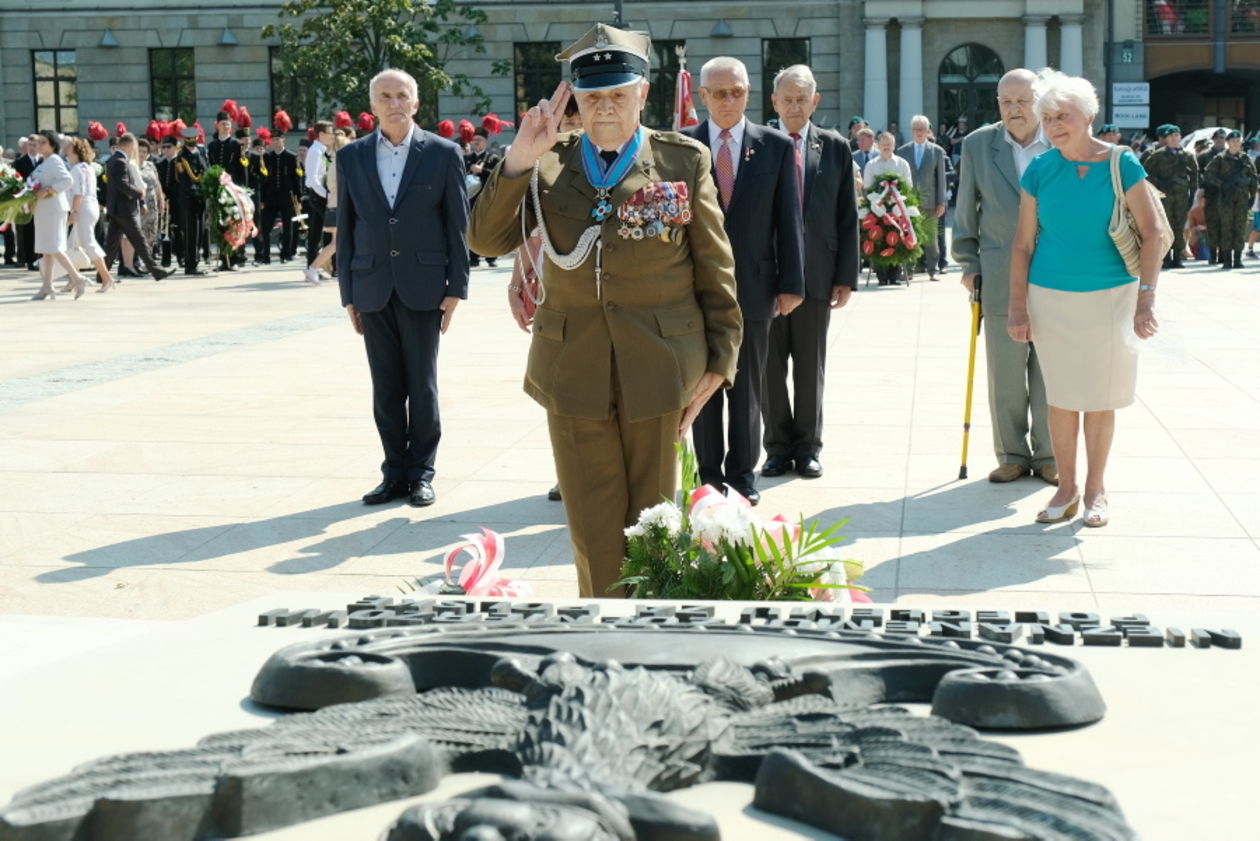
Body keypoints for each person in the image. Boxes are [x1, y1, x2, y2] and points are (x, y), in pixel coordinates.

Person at [469, 23, 742, 597]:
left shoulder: (680, 159)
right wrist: (520, 157)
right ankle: (602, 631)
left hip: (662, 365)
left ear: (643, 92)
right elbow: (484, 240)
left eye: (619, 94)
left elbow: (715, 269)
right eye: (593, 97)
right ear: (576, 100)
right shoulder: (547, 162)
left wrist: (722, 359)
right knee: (593, 526)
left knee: (656, 519)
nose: (607, 107)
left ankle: (655, 626)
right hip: (573, 368)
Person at [1008, 71, 1163, 528]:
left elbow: (1153, 233)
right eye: (1048, 117)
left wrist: (1147, 299)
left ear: (1089, 116)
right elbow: (1022, 244)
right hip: (1050, 298)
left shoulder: (1123, 162)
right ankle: (1067, 487)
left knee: (1100, 398)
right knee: (1061, 397)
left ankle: (1096, 490)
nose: (1055, 124)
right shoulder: (1039, 169)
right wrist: (1017, 307)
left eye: (1064, 115)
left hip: (1113, 295)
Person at [337, 69, 469, 510]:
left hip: (425, 286)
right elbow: (347, 227)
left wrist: (457, 287)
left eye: (402, 96)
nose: (394, 103)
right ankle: (393, 472)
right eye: (385, 96)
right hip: (371, 285)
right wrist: (348, 293)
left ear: (416, 103)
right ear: (372, 105)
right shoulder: (352, 157)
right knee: (386, 387)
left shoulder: (444, 153)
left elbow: (457, 226)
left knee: (422, 384)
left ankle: (422, 474)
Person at [682, 55, 803, 505]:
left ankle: (743, 476)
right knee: (703, 387)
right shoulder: (683, 146)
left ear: (749, 94)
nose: (727, 100)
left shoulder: (773, 146)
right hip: (695, 293)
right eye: (718, 92)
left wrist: (792, 284)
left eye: (735, 91)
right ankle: (708, 479)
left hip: (755, 289)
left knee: (748, 387)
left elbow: (788, 222)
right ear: (703, 96)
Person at [952, 68, 1056, 486]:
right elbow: (965, 210)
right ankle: (1011, 453)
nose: (1013, 109)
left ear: (1039, 99)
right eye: (1005, 101)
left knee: (1050, 368)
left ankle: (1050, 454)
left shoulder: (1059, 139)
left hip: (1055, 270)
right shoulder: (979, 144)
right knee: (1005, 371)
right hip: (997, 272)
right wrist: (967, 263)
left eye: (1022, 100)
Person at [761, 64, 858, 481]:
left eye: (803, 98)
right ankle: (777, 448)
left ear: (815, 101)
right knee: (768, 369)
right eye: (788, 98)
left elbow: (846, 215)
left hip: (817, 275)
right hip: (767, 277)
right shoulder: (759, 145)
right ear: (774, 102)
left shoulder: (835, 147)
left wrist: (846, 276)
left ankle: (808, 448)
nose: (795, 105)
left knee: (809, 367)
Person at [505, 96, 583, 504]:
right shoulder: (541, 164)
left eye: (576, 115)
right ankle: (565, 471)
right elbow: (525, 233)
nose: (570, 123)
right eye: (564, 115)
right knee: (558, 386)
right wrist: (517, 284)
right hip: (551, 292)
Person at [27, 130, 89, 299]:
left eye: (43, 142)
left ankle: (77, 278)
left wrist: (48, 191)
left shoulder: (54, 160)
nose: (39, 145)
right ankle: (47, 285)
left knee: (54, 247)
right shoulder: (44, 161)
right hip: (43, 210)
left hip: (54, 209)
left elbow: (67, 180)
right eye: (38, 142)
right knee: (46, 249)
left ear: (52, 145)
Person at [102, 133, 170, 283]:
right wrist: (139, 193)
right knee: (139, 241)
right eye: (134, 146)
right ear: (128, 145)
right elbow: (123, 185)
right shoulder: (120, 161)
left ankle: (102, 274)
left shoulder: (115, 159)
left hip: (118, 209)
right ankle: (156, 271)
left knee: (112, 244)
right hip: (124, 209)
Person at [896, 115, 948, 281]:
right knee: (910, 237)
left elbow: (941, 179)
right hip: (909, 203)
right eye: (915, 129)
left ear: (927, 131)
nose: (918, 132)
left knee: (931, 238)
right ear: (912, 131)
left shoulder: (937, 151)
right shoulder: (903, 151)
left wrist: (941, 202)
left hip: (930, 202)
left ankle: (932, 269)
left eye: (922, 129)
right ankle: (909, 270)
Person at [64, 137, 117, 293]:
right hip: (90, 207)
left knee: (88, 243)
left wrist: (73, 212)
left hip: (82, 208)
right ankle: (73, 279)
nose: (66, 154)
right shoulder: (88, 167)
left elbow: (78, 193)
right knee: (72, 244)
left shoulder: (76, 169)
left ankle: (106, 278)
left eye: (69, 151)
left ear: (76, 153)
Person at [1141, 124, 1197, 269]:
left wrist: (1192, 194)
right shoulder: (1158, 155)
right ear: (1166, 138)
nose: (1173, 138)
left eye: (1176, 136)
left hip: (1181, 196)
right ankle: (1165, 258)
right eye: (1170, 136)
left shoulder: (1187, 155)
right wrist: (1158, 184)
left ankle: (1177, 257)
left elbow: (1194, 175)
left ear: (1180, 137)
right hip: (1164, 196)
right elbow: (1145, 173)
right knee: (1165, 226)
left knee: (1178, 226)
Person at [1203, 130, 1259, 269]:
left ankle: (1238, 259)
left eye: (1238, 141)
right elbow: (1208, 174)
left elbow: (1253, 178)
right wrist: (1222, 184)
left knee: (1239, 228)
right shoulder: (1220, 159)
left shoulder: (1246, 159)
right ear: (1228, 143)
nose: (1236, 143)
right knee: (1226, 227)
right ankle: (1227, 259)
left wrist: (1252, 197)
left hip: (1241, 198)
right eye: (1233, 141)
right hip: (1225, 198)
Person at [864, 131, 913, 286]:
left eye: (889, 144)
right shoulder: (871, 165)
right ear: (878, 146)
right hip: (877, 207)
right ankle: (882, 276)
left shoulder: (902, 164)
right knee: (878, 239)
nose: (886, 147)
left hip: (897, 207)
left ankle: (894, 275)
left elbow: (908, 185)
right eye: (883, 144)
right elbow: (867, 186)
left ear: (894, 145)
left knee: (897, 238)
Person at [305, 131, 350, 284]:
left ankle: (316, 268)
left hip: (335, 205)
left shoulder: (336, 163)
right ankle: (313, 267)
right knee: (336, 243)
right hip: (338, 206)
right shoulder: (340, 164)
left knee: (339, 243)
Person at [260, 130, 301, 264]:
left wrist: (298, 198)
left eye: (278, 139)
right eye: (273, 140)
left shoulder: (291, 157)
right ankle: (265, 255)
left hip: (286, 196)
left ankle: (286, 254)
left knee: (288, 226)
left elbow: (296, 180)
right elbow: (263, 180)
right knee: (266, 226)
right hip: (270, 197)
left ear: (283, 140)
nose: (276, 142)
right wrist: (261, 199)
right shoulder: (267, 157)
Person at [173, 126, 209, 276]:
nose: (191, 144)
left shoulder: (200, 153)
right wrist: (196, 190)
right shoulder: (181, 157)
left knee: (199, 232)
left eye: (193, 141)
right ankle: (190, 265)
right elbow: (184, 180)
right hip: (189, 199)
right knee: (191, 233)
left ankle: (195, 261)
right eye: (189, 142)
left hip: (200, 199)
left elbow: (206, 170)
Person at [465, 128, 502, 267]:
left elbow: (498, 176)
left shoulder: (493, 158)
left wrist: (483, 171)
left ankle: (491, 257)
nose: (476, 143)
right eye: (474, 140)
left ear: (485, 142)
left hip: (488, 198)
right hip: (471, 198)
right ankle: (473, 257)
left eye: (479, 140)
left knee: (489, 228)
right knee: (471, 228)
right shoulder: (467, 158)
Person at [305, 120, 334, 268]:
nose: (332, 136)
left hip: (321, 194)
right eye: (329, 133)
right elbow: (313, 178)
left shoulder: (322, 150)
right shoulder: (316, 151)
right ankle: (328, 266)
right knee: (330, 230)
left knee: (316, 233)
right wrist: (327, 196)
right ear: (321, 134)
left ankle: (314, 265)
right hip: (319, 195)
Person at [136, 138, 165, 265]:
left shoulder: (151, 165)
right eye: (140, 151)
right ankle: (138, 260)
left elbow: (157, 183)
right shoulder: (132, 166)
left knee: (151, 231)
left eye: (144, 151)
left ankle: (149, 259)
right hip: (138, 204)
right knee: (139, 231)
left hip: (152, 203)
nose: (142, 154)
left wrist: (161, 200)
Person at [153, 136, 181, 268]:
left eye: (168, 147)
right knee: (164, 230)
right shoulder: (159, 164)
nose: (165, 150)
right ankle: (166, 258)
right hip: (164, 200)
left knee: (179, 228)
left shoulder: (180, 162)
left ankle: (181, 256)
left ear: (175, 147)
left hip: (177, 200)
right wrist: (162, 196)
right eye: (163, 147)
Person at [14, 136, 40, 271]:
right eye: (30, 145)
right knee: (28, 230)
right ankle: (31, 260)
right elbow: (17, 181)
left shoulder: (43, 161)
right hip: (26, 201)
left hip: (42, 200)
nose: (31, 147)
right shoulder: (19, 162)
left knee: (41, 230)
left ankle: (41, 258)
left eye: (34, 145)